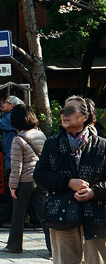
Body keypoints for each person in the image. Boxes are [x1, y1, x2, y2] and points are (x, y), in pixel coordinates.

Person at [34, 96, 106, 263]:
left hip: (96, 214)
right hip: (62, 211)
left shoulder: (102, 146)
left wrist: (94, 192)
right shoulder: (52, 144)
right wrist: (67, 182)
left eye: (70, 111)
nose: (64, 115)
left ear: (85, 116)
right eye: (63, 111)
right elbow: (40, 175)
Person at [4, 104, 50, 254]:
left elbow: (16, 166)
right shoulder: (40, 134)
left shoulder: (18, 139)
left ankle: (14, 246)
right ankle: (53, 246)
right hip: (40, 179)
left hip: (24, 181)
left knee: (18, 214)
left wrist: (12, 186)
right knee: (44, 215)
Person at [0, 95, 24, 172]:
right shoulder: (9, 116)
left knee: (13, 178)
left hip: (12, 155)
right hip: (11, 153)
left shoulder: (11, 117)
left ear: (11, 106)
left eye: (5, 102)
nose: (3, 104)